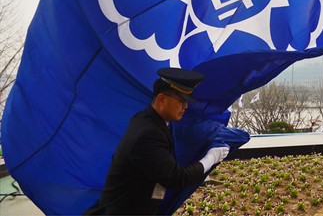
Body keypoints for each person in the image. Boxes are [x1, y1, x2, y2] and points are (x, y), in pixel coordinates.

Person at [87, 68, 230, 215]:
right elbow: (176, 178)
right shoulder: (148, 134)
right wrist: (211, 158)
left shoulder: (151, 121)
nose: (186, 106)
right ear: (161, 99)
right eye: (181, 101)